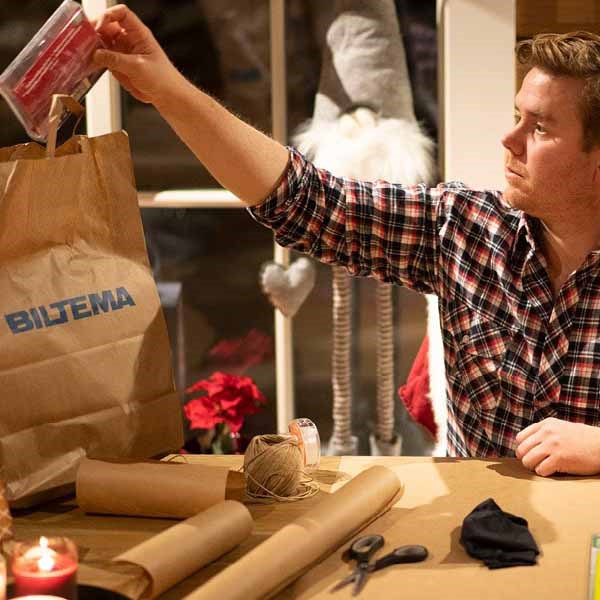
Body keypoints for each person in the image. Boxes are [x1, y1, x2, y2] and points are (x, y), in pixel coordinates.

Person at [93, 5, 600, 477]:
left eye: (540, 128)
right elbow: (302, 199)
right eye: (516, 117)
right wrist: (168, 91)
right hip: (487, 524)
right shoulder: (466, 228)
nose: (509, 141)